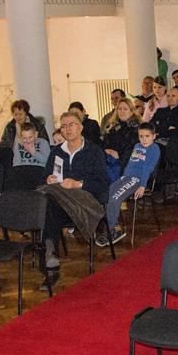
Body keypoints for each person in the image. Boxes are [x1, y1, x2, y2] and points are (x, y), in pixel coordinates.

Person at [41, 112, 109, 289]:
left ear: (81, 127)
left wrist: (77, 184)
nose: (67, 129)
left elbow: (103, 183)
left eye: (71, 124)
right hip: (60, 203)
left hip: (85, 200)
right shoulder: (57, 151)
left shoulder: (94, 151)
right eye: (63, 126)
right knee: (48, 204)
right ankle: (51, 260)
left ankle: (49, 257)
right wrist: (49, 179)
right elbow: (46, 175)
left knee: (47, 206)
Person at [99, 122, 161, 247]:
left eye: (147, 136)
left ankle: (110, 230)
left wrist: (142, 185)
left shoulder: (154, 149)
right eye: (141, 136)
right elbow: (131, 164)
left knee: (115, 198)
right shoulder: (137, 146)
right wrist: (123, 177)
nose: (144, 139)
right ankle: (113, 226)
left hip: (137, 180)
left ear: (154, 136)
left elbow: (147, 168)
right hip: (126, 178)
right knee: (106, 195)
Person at [102, 98, 142, 182]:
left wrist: (119, 156)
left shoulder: (138, 128)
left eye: (125, 109)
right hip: (109, 160)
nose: (122, 111)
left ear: (132, 111)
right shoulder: (112, 127)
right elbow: (105, 144)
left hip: (127, 162)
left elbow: (136, 150)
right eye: (119, 109)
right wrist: (107, 151)